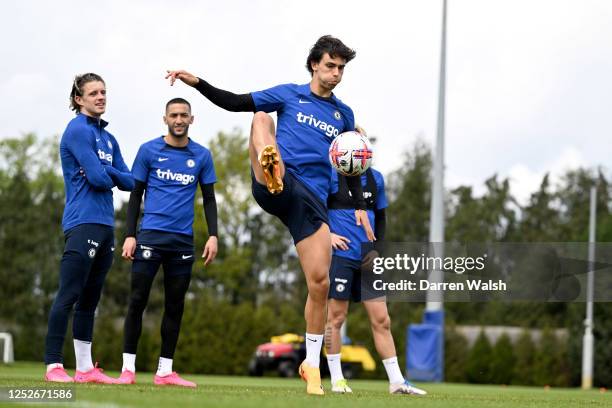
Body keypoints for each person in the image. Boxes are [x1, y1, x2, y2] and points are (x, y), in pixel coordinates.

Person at [166, 35, 373, 395]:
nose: (336, 73)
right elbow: (235, 102)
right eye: (330, 65)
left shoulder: (344, 115)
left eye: (341, 68)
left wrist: (358, 207)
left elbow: (348, 168)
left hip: (309, 200)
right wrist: (196, 82)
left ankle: (311, 365)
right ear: (314, 64)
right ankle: (271, 164)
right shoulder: (289, 94)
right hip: (277, 181)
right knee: (261, 117)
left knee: (320, 281)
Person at [116, 98, 218, 387]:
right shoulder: (148, 150)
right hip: (149, 237)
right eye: (173, 115)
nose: (178, 119)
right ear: (165, 119)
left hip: (182, 242)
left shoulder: (202, 155)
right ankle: (128, 370)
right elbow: (135, 195)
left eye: (183, 115)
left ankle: (165, 372)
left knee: (175, 306)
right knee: (137, 301)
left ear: (191, 119)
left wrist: (213, 235)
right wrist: (130, 234)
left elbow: (209, 198)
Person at [45, 73, 134, 383]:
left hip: (107, 223)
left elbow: (131, 181)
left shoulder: (109, 139)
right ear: (78, 100)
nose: (101, 97)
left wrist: (102, 167)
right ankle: (54, 366)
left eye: (104, 92)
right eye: (94, 93)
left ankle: (84, 369)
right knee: (68, 294)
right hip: (82, 222)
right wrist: (106, 173)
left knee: (90, 301)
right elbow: (98, 181)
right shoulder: (77, 131)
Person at [324, 163, 427, 395]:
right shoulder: (330, 175)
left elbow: (381, 217)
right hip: (341, 257)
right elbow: (316, 211)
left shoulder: (376, 178)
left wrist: (377, 250)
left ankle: (397, 382)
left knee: (382, 320)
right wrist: (328, 235)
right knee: (336, 319)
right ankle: (337, 380)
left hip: (369, 260)